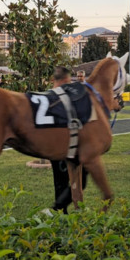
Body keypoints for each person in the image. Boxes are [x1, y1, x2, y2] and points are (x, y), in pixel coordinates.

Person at [48, 66, 87, 214]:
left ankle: (63, 210)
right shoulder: (64, 98)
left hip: (56, 145)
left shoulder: (49, 96)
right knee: (76, 179)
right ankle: (59, 209)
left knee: (61, 181)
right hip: (66, 145)